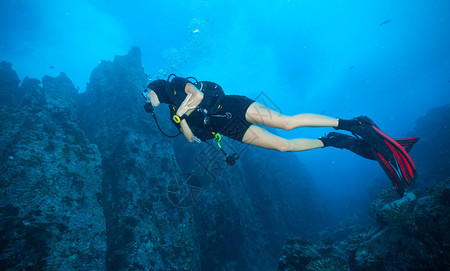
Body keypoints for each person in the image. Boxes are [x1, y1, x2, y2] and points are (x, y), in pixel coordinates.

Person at [143, 75, 418, 195]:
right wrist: (181, 121)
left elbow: (198, 94)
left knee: (286, 123)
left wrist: (180, 111)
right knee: (282, 146)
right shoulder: (171, 113)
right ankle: (332, 142)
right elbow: (192, 139)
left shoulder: (176, 84)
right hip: (227, 129)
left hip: (230, 106)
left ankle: (351, 124)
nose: (147, 98)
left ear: (155, 88)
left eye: (147, 92)